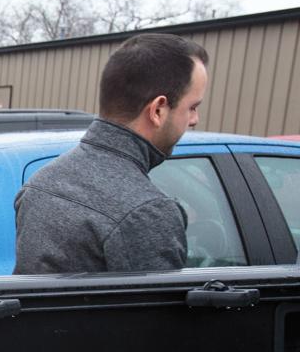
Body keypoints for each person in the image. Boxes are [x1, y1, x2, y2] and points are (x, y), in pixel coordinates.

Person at [13, 33, 210, 274]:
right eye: (193, 107)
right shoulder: (146, 212)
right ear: (158, 109)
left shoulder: (39, 183)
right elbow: (158, 312)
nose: (194, 120)